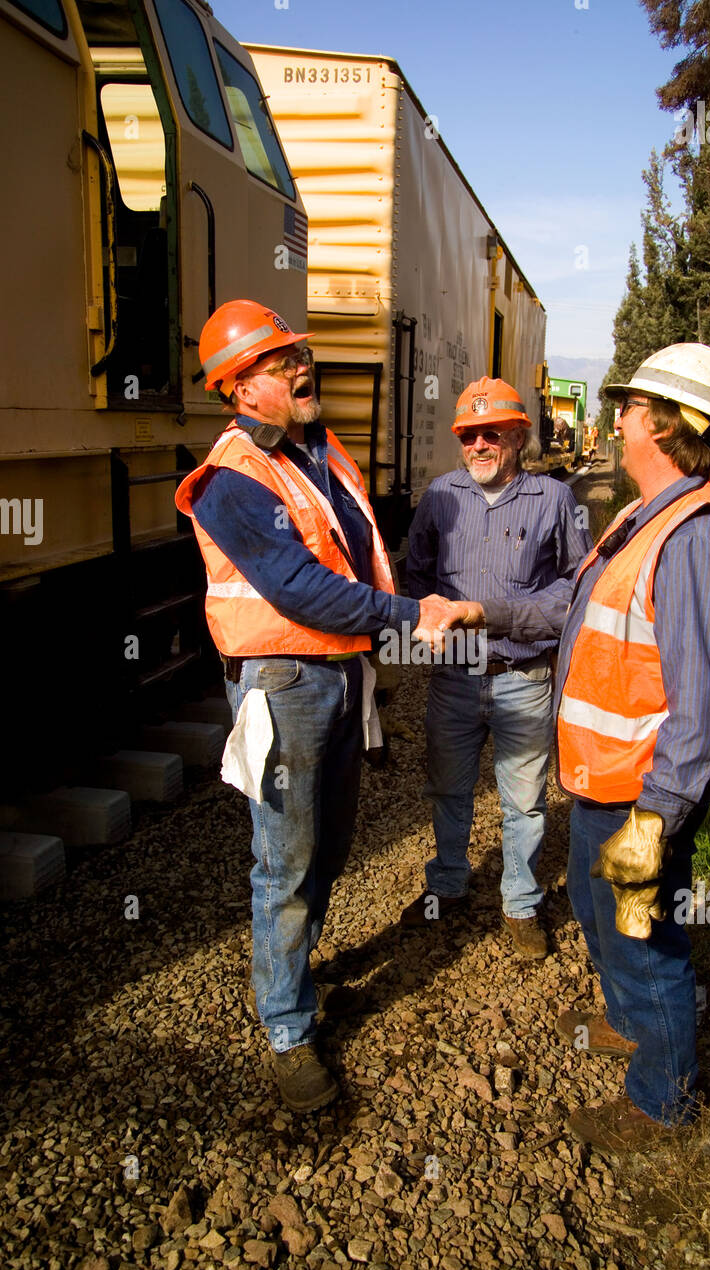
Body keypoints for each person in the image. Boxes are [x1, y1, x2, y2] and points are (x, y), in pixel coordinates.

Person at [449, 345, 710, 1148]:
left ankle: (662, 1104)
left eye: (627, 406)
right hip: (597, 778)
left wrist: (656, 819)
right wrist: (485, 613)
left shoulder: (697, 541)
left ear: (664, 424)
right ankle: (629, 1016)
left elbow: (703, 705)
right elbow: (569, 617)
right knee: (593, 908)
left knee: (641, 937)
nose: (613, 419)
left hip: (641, 790)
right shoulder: (638, 516)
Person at [176, 300, 459, 1112]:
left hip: (338, 676)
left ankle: (296, 969)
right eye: (277, 361)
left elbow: (355, 556)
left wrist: (385, 641)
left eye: (298, 351)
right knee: (287, 863)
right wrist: (414, 617)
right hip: (285, 684)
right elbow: (299, 588)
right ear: (238, 388)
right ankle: (287, 1031)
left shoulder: (320, 450)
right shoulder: (234, 478)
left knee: (330, 847)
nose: (301, 366)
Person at [400, 376, 589, 958]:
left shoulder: (557, 501)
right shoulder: (439, 497)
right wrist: (423, 620)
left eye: (492, 434)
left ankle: (522, 903)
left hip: (524, 680)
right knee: (448, 790)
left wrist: (498, 615)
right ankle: (448, 885)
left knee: (525, 801)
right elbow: (416, 577)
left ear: (519, 436)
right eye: (468, 435)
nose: (479, 445)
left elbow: (574, 590)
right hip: (454, 681)